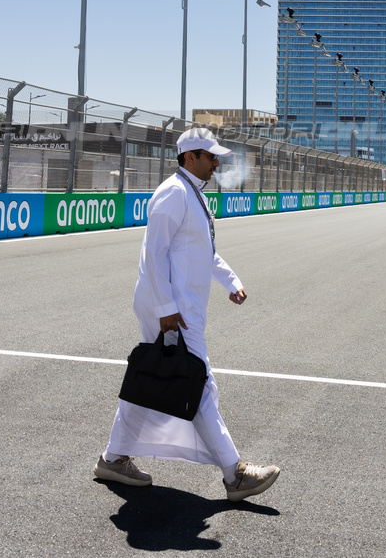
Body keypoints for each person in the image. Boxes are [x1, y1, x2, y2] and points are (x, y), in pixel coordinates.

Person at [94, 126, 281, 502]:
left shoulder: (193, 195)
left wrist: (231, 281)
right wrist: (166, 310)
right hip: (171, 310)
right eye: (210, 156)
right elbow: (152, 255)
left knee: (156, 378)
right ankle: (235, 474)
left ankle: (113, 458)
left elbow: (204, 252)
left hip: (179, 307)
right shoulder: (173, 193)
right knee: (197, 381)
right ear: (190, 157)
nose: (216, 162)